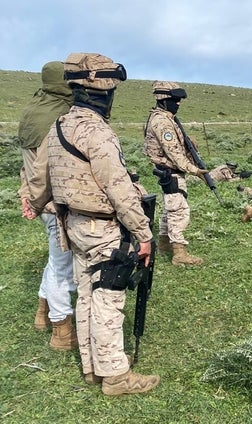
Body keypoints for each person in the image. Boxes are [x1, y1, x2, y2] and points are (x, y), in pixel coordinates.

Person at [27, 52, 160, 395]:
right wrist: (144, 235)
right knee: (108, 299)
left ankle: (92, 368)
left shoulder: (58, 127)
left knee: (86, 296)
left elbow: (39, 182)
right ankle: (116, 375)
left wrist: (37, 204)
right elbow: (119, 190)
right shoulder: (97, 133)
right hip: (102, 228)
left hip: (74, 226)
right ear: (105, 93)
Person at [17, 60, 76, 350]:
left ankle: (43, 313)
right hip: (54, 203)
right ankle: (61, 330)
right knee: (64, 267)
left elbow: (27, 166)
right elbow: (43, 169)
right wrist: (40, 201)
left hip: (39, 198)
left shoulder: (34, 109)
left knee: (56, 261)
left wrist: (26, 195)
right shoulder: (58, 115)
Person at [143, 81, 207, 265]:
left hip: (170, 171)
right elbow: (174, 153)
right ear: (163, 99)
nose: (178, 103)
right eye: (175, 99)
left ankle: (163, 244)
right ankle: (179, 253)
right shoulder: (162, 122)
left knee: (170, 209)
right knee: (179, 211)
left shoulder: (166, 117)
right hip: (170, 172)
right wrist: (195, 170)